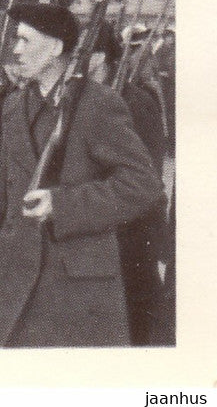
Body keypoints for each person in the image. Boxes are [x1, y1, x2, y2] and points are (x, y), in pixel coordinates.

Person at [0, 4, 162, 347]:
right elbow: (4, 200)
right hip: (12, 275)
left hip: (75, 285)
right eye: (15, 40)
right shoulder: (12, 105)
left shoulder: (97, 103)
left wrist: (61, 205)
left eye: (25, 40)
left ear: (56, 48)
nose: (15, 50)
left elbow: (144, 184)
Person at [89, 24, 171, 346]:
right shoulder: (84, 98)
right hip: (102, 225)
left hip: (134, 229)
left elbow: (148, 175)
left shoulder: (134, 101)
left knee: (138, 310)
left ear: (99, 57)